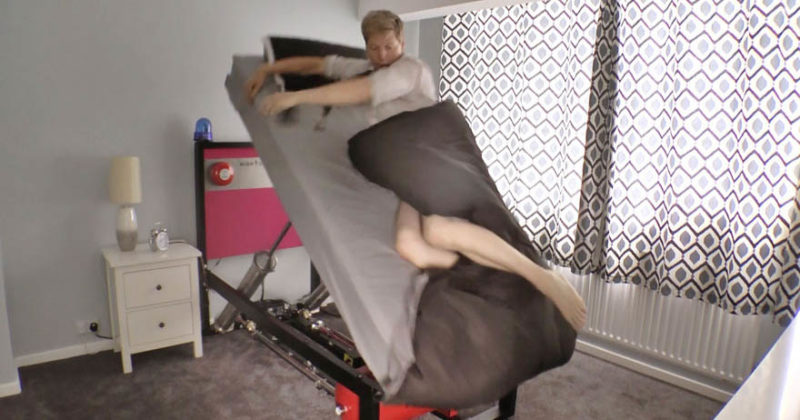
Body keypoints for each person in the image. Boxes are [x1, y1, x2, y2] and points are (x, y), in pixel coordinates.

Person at [243, 10, 586, 331]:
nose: (382, 55)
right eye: (374, 48)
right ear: (367, 47)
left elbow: (360, 92)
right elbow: (317, 64)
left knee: (438, 231)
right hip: (404, 169)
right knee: (410, 245)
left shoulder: (410, 69)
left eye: (389, 46)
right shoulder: (365, 67)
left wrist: (294, 98)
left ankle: (542, 277)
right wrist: (268, 70)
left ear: (402, 43)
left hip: (429, 156)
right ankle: (501, 280)